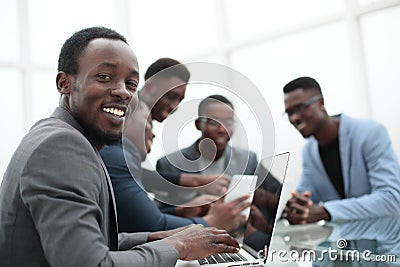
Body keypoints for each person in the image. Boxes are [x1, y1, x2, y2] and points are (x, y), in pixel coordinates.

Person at [0, 26, 240, 267]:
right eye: (104, 77)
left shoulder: (62, 136)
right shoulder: (63, 145)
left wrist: (162, 238)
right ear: (65, 83)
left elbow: (91, 241)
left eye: (131, 83)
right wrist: (179, 246)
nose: (123, 92)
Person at [100, 101, 250, 233]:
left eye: (228, 122)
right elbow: (153, 223)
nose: (153, 134)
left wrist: (182, 210)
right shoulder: (118, 157)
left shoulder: (249, 159)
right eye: (149, 122)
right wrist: (212, 221)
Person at [282, 76, 400, 224]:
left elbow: (391, 199)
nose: (294, 118)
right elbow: (306, 197)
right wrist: (295, 208)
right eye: (289, 112)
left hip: (384, 239)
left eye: (299, 108)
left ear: (321, 103)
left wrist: (326, 211)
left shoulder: (371, 133)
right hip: (341, 244)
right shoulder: (309, 151)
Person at [156, 94, 259, 205]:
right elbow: (158, 214)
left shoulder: (248, 160)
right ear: (198, 124)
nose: (222, 129)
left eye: (228, 122)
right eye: (214, 122)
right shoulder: (169, 164)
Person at [139, 57, 190, 122]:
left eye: (179, 101)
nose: (174, 107)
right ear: (149, 88)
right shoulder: (128, 120)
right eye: (171, 97)